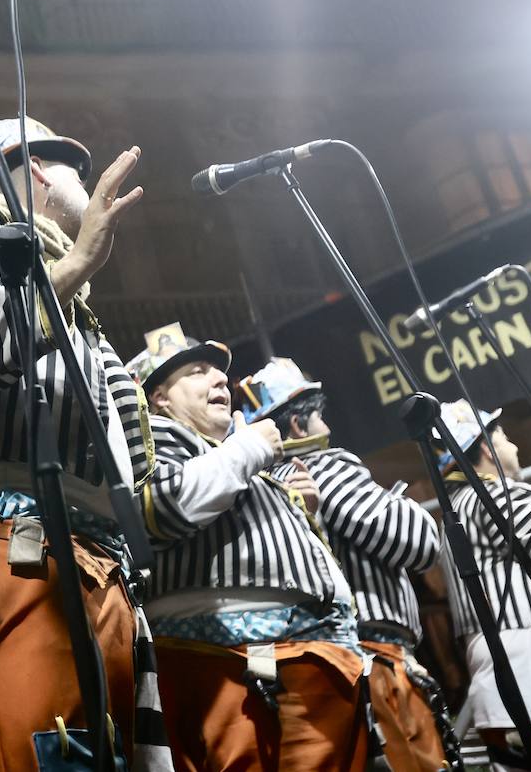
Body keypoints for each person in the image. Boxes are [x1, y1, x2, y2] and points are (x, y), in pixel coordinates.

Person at [0, 116, 172, 771]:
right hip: (20, 544)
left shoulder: (61, 278)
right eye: (74, 168)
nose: (85, 180)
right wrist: (76, 263)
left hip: (97, 564)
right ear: (41, 171)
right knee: (43, 754)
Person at [130, 324, 369, 771]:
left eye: (218, 372)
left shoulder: (225, 455)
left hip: (291, 661)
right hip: (245, 664)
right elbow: (162, 507)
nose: (220, 379)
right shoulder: (158, 437)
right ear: (159, 397)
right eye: (198, 372)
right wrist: (250, 447)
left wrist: (305, 512)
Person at [240, 357, 455, 771]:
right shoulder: (325, 467)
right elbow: (420, 542)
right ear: (299, 425)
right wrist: (401, 503)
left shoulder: (262, 484)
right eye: (320, 417)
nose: (328, 428)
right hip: (373, 661)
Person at [435, 401, 531, 768]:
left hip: (506, 690)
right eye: (506, 438)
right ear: (486, 448)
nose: (513, 448)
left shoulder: (458, 507)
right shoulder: (495, 493)